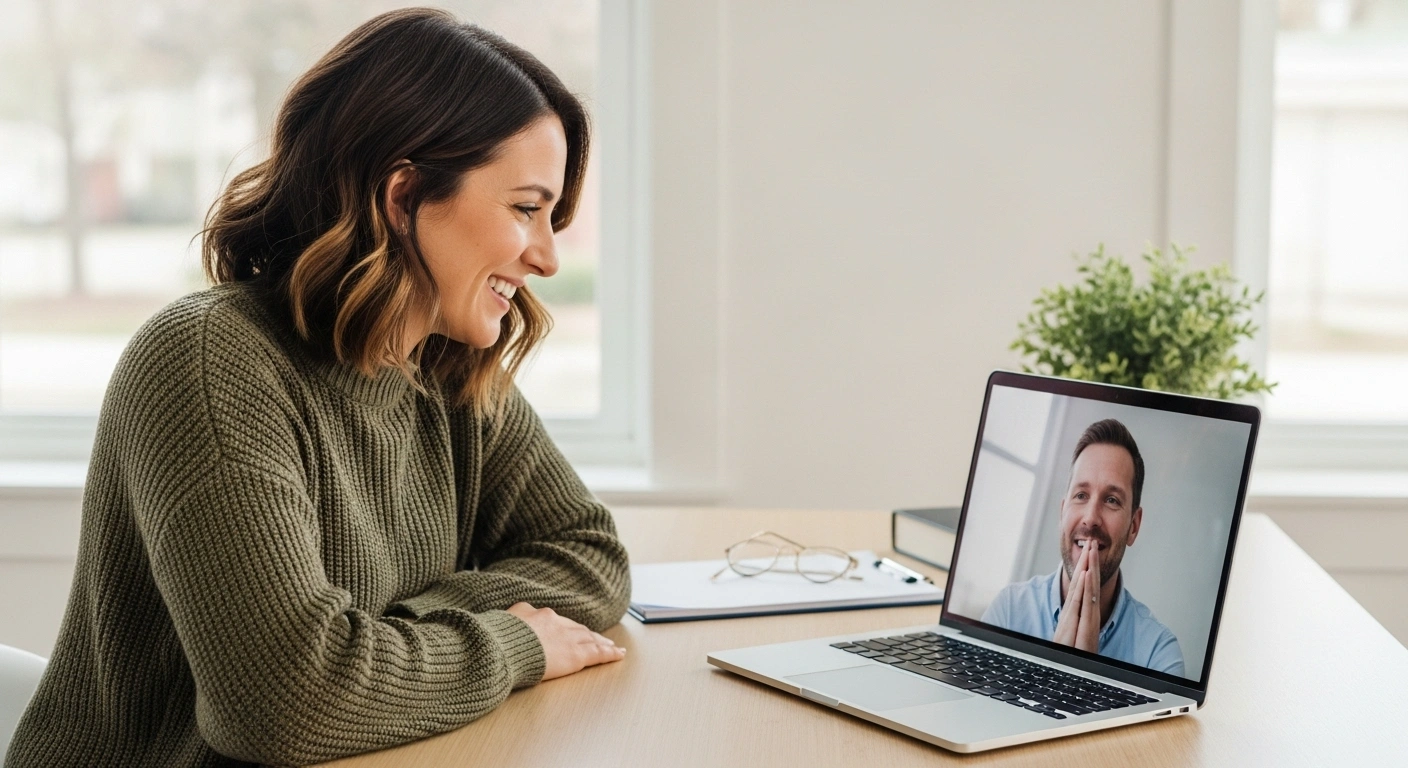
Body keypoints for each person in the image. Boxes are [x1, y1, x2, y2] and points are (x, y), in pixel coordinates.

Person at [6, 9, 631, 766]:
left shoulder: (443, 368)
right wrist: (509, 641)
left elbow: (589, 555)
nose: (548, 258)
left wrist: (386, 642)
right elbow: (286, 705)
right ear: (403, 196)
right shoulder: (210, 360)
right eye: (526, 209)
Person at [982, 419, 1184, 677]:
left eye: (1112, 500)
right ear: (1062, 511)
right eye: (1081, 495)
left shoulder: (1159, 655)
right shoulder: (1008, 612)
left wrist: (1086, 674)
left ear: (1133, 527)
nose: (1090, 518)